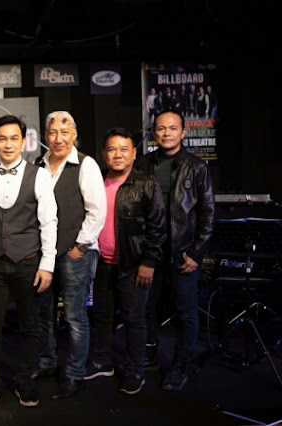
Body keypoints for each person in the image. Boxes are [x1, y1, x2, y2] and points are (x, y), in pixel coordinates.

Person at [0, 115, 57, 410]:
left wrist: (47, 264)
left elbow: (49, 221)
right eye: (2, 138)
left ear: (24, 141)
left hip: (28, 261)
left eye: (14, 138)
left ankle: (25, 380)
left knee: (30, 326)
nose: (8, 144)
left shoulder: (39, 174)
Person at [136, 110, 214, 391]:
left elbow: (207, 213)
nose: (166, 133)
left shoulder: (197, 167)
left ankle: (180, 363)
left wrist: (196, 253)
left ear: (183, 132)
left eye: (172, 128)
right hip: (151, 253)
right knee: (147, 307)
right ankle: (150, 352)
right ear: (154, 133)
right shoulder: (143, 164)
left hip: (183, 253)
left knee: (185, 312)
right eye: (161, 128)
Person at [85, 128, 166, 395]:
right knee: (102, 316)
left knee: (134, 319)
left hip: (133, 265)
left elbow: (157, 227)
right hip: (101, 263)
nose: (117, 155)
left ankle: (135, 370)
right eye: (112, 149)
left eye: (123, 149)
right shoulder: (95, 182)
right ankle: (102, 362)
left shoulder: (146, 184)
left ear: (133, 153)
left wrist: (149, 262)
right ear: (104, 153)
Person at [33, 111, 107, 399]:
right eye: (53, 132)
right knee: (45, 315)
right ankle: (48, 363)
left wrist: (80, 246)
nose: (58, 138)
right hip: (45, 255)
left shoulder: (86, 164)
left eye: (65, 132)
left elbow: (96, 211)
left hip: (75, 253)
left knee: (75, 318)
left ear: (74, 135)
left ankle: (75, 374)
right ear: (46, 135)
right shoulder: (38, 165)